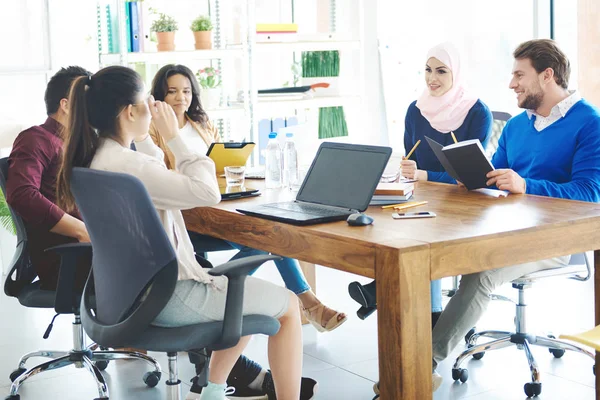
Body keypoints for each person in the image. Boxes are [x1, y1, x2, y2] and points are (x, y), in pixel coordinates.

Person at [56, 65, 304, 400]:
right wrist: (174, 137)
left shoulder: (98, 158)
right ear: (130, 111)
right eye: (147, 101)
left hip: (129, 296)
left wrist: (143, 137)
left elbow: (154, 171)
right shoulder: (131, 167)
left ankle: (211, 392)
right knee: (288, 305)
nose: (155, 107)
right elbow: (206, 193)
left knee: (239, 294)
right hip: (168, 297)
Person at [431, 39, 600, 392]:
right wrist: (475, 176)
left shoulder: (589, 122)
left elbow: (590, 194)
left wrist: (526, 185)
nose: (512, 84)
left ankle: (422, 361)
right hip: (505, 227)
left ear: (547, 76)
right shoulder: (518, 125)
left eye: (519, 75)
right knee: (433, 251)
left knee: (483, 271)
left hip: (553, 239)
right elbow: (500, 177)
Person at [149, 64, 324, 400]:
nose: (180, 97)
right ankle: (306, 299)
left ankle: (291, 298)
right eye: (172, 91)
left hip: (213, 202)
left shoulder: (201, 123)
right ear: (159, 94)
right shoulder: (156, 130)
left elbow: (214, 163)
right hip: (181, 217)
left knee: (266, 236)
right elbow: (169, 178)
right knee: (266, 244)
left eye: (186, 90)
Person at [348, 42, 493, 327]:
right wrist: (407, 172)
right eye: (427, 70)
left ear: (457, 74)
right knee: (388, 220)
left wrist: (424, 175)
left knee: (425, 229)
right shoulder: (416, 110)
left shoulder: (478, 112)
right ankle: (418, 309)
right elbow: (410, 159)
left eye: (441, 71)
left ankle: (383, 291)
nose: (432, 79)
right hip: (425, 197)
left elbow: (471, 175)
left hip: (466, 202)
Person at [6, 66, 92, 291]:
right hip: (69, 259)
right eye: (87, 101)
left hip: (90, 252)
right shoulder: (36, 139)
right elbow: (22, 194)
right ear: (65, 105)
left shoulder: (78, 145)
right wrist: (80, 230)